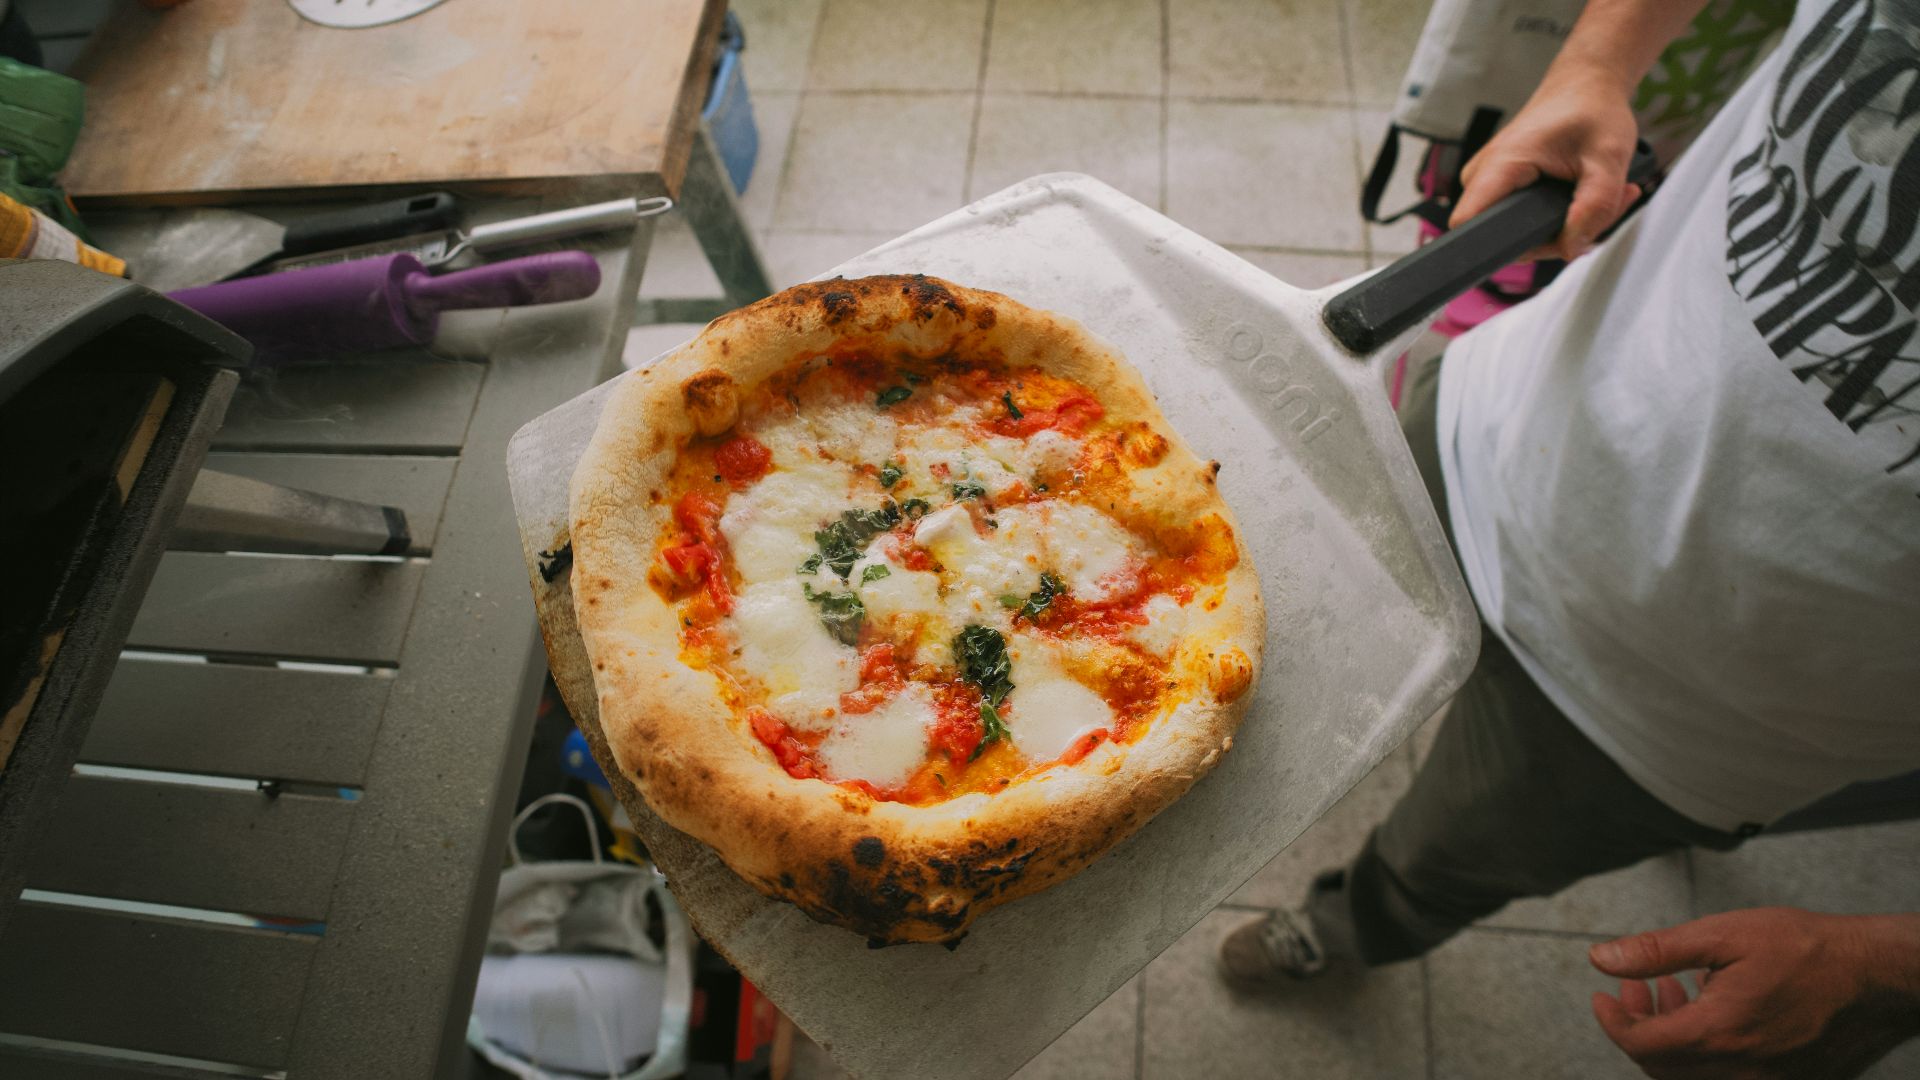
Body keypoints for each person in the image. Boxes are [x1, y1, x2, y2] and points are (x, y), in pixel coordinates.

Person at [1217, 0, 1920, 1076]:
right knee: (1275, 647)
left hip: (1697, 713)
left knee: (1436, 864)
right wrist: (1598, 57)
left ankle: (1347, 931)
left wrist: (1889, 964)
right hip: (1498, 410)